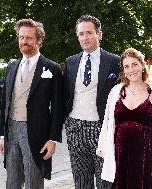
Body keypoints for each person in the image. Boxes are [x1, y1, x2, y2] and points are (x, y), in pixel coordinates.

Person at [0, 18, 63, 189]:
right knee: (12, 181)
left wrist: (53, 139)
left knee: (34, 181)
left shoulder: (51, 68)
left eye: (28, 38)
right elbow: (5, 103)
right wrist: (2, 135)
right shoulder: (12, 66)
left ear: (39, 39)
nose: (23, 41)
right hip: (11, 129)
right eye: (21, 37)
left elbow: (58, 108)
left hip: (36, 132)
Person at [62, 15, 120, 189]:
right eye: (81, 34)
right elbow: (64, 96)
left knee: (106, 182)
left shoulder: (114, 62)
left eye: (89, 33)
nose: (85, 37)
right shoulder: (70, 62)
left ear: (99, 34)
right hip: (75, 129)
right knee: (81, 183)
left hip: (102, 129)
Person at [97, 48, 152, 189]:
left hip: (147, 157)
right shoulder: (115, 92)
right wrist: (103, 147)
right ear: (124, 70)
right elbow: (107, 123)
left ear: (142, 66)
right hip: (120, 155)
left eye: (135, 64)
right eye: (127, 66)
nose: (131, 69)